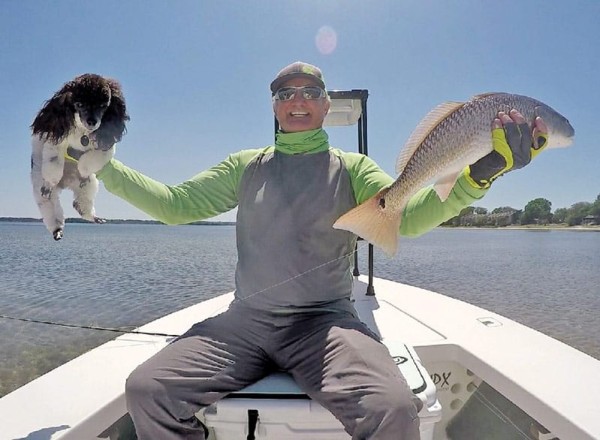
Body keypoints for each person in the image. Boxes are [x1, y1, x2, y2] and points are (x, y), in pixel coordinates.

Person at [80, 61, 548, 439]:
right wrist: (104, 166)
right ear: (275, 108)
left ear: (325, 106)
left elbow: (409, 215)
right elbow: (174, 206)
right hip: (245, 322)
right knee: (147, 389)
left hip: (324, 324)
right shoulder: (246, 165)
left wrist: (477, 176)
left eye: (308, 92)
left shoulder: (353, 167)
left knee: (395, 409)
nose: (296, 100)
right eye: (285, 94)